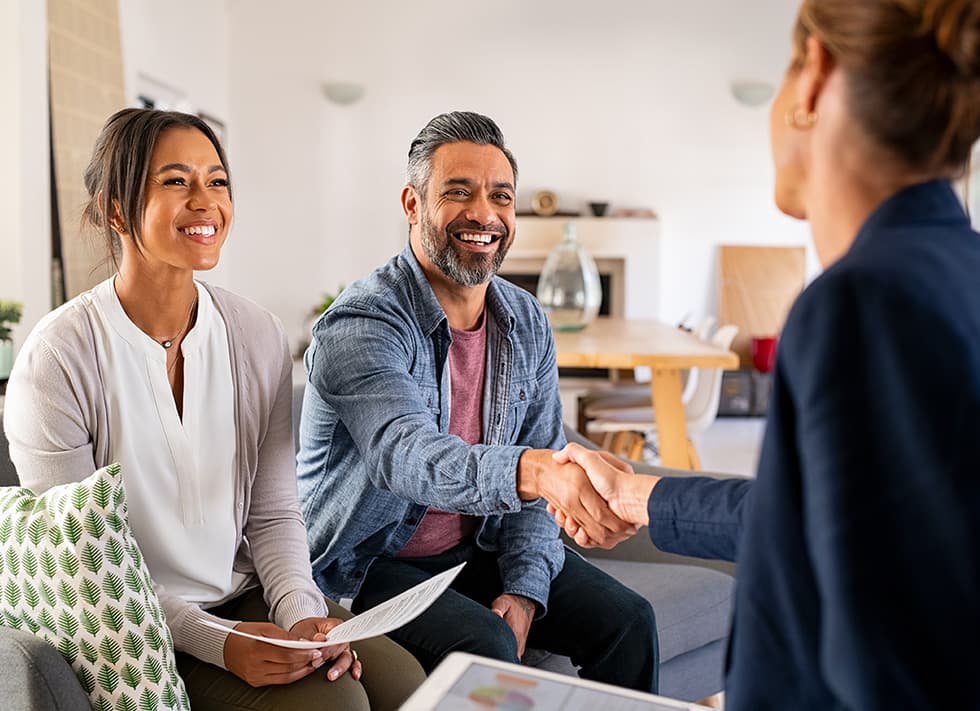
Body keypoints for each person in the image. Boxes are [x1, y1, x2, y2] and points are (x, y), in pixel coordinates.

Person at [548, 1, 980, 708]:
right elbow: (816, 524)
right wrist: (637, 493)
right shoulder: (958, 270)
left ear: (813, 74)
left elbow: (886, 662)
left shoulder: (864, 303)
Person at [2, 108, 424, 711]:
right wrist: (218, 643)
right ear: (117, 210)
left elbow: (276, 513)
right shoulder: (58, 357)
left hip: (242, 595)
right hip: (133, 628)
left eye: (217, 180)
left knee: (408, 683)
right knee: (336, 705)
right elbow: (84, 568)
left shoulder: (256, 334)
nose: (206, 201)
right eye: (176, 181)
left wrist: (303, 615)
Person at [296, 111, 657, 692]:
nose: (484, 215)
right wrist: (534, 470)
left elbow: (540, 472)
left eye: (500, 197)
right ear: (412, 205)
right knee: (483, 645)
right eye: (458, 193)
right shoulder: (362, 323)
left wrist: (523, 588)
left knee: (629, 622)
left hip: (474, 546)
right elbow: (405, 456)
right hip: (367, 565)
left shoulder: (525, 320)